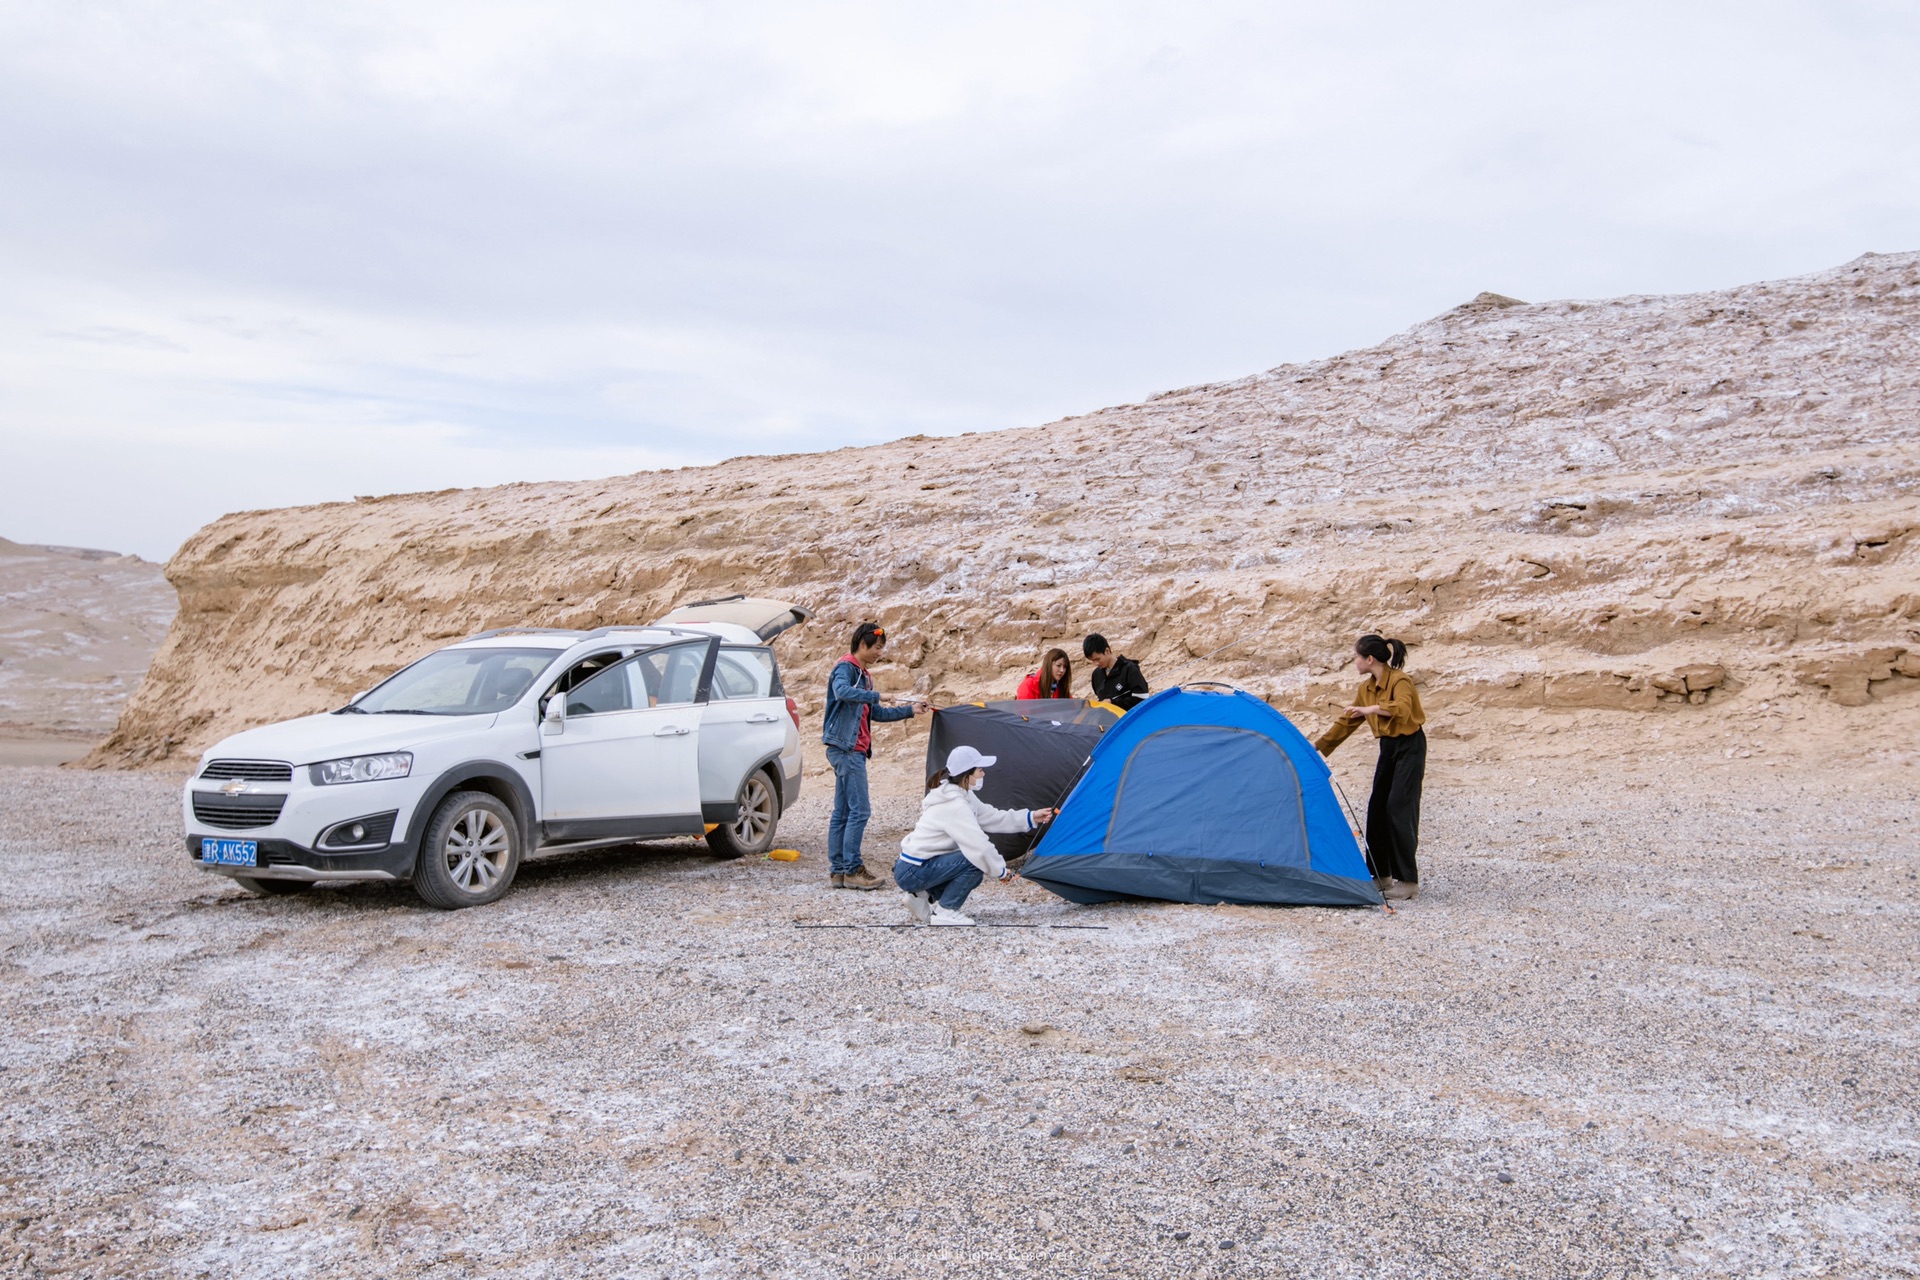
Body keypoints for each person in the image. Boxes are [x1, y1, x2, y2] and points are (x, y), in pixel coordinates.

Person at [1314, 634, 1426, 901]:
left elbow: (1401, 708)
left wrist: (1371, 710)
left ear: (1370, 659)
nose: (1354, 661)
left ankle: (1409, 881)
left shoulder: (1400, 681)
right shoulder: (1366, 688)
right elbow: (1347, 722)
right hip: (1387, 748)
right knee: (1377, 809)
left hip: (1410, 747)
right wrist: (1315, 748)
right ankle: (1380, 875)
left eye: (1356, 656)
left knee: (1398, 808)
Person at [894, 746, 1055, 926]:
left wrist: (1031, 817)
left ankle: (920, 895)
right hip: (912, 871)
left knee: (972, 859)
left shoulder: (962, 796)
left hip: (912, 867)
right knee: (973, 861)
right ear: (967, 774)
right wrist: (1000, 870)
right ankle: (946, 911)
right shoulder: (955, 805)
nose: (983, 774)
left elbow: (992, 817)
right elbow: (979, 847)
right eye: (980, 770)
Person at [823, 622, 928, 890]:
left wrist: (910, 709)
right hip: (847, 749)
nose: (880, 653)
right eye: (878, 648)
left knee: (844, 811)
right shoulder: (846, 668)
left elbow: (876, 713)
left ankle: (839, 872)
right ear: (862, 645)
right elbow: (842, 692)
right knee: (860, 810)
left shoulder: (865, 676)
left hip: (848, 749)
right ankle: (853, 870)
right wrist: (881, 694)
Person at [1082, 634, 1150, 710]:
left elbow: (1142, 698)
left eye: (1098, 659)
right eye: (1093, 661)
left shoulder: (1129, 669)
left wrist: (1113, 703)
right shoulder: (1096, 675)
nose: (1096, 663)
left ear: (1107, 651)